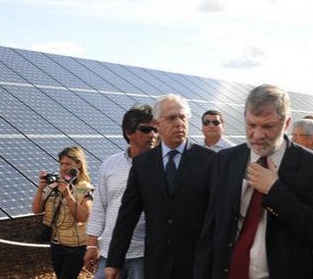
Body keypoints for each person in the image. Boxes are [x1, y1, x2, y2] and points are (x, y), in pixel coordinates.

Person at [194, 84, 313, 278]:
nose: (257, 135)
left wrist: (275, 190)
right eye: (251, 125)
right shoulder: (226, 160)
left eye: (268, 126)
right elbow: (212, 226)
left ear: (286, 123)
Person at [106, 94, 216, 279]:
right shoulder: (142, 164)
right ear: (157, 124)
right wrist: (114, 262)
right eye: (172, 118)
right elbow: (127, 215)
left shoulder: (209, 160)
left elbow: (218, 215)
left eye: (183, 117)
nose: (179, 123)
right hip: (157, 263)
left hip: (197, 263)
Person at [83, 104, 157, 279]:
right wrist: (91, 245)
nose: (153, 134)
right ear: (128, 133)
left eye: (155, 129)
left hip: (144, 255)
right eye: (146, 129)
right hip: (109, 252)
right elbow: (100, 206)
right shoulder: (110, 164)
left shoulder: (163, 167)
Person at [32, 146, 94, 279]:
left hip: (75, 247)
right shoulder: (53, 186)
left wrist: (67, 195)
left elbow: (82, 217)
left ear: (78, 164)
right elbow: (36, 210)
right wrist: (40, 189)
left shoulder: (83, 188)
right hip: (56, 244)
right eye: (61, 164)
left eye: (68, 164)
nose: (64, 167)